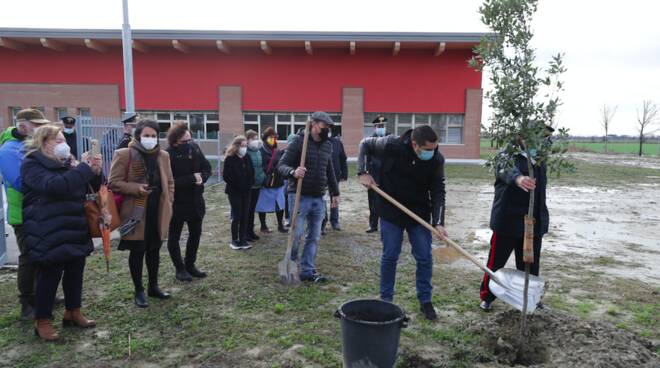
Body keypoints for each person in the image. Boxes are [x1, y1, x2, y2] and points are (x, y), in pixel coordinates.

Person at [21, 124, 103, 341]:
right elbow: (55, 186)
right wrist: (83, 170)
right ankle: (43, 321)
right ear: (43, 143)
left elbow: (86, 188)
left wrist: (94, 172)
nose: (63, 145)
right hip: (47, 229)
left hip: (73, 226)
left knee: (76, 271)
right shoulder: (32, 164)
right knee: (49, 276)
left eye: (64, 141)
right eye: (57, 141)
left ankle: (73, 312)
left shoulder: (69, 163)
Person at [357, 125, 447, 321]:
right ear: (415, 144)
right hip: (390, 209)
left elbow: (438, 190)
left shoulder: (436, 160)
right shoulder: (391, 144)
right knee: (390, 255)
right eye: (428, 149)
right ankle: (386, 300)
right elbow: (365, 144)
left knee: (424, 256)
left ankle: (425, 301)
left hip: (418, 212)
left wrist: (439, 222)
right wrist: (362, 171)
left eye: (434, 148)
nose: (432, 153)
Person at [478, 128, 553, 312]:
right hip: (507, 221)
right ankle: (487, 296)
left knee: (530, 264)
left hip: (532, 222)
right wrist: (518, 179)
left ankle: (530, 297)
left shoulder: (540, 160)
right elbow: (505, 169)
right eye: (537, 137)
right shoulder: (506, 155)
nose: (541, 142)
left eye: (544, 138)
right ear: (521, 137)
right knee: (496, 262)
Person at [108, 119, 175, 308]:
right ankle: (139, 290)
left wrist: (169, 200)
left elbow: (169, 181)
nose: (150, 139)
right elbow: (113, 182)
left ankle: (154, 286)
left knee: (154, 250)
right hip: (136, 211)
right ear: (138, 136)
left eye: (153, 136)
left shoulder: (163, 155)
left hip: (157, 210)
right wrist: (136, 188)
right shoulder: (124, 154)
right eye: (146, 135)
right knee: (137, 252)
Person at [277, 111, 340, 283]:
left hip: (319, 197)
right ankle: (290, 266)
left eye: (328, 127)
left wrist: (335, 192)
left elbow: (330, 169)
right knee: (296, 234)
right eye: (324, 126)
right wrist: (293, 172)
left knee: (314, 236)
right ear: (313, 124)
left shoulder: (328, 144)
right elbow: (281, 165)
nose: (327, 129)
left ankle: (307, 270)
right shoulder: (299, 142)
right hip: (299, 196)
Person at [0, 109, 50, 320]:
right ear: (23, 125)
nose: (39, 129)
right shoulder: (8, 150)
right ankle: (26, 303)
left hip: (41, 211)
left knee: (44, 256)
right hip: (23, 214)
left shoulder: (29, 145)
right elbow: (22, 182)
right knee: (28, 257)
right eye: (36, 125)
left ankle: (42, 295)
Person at [165, 122, 212, 282]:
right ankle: (180, 268)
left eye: (190, 140)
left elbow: (207, 168)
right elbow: (167, 182)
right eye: (184, 141)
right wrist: (191, 178)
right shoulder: (167, 155)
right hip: (177, 203)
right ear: (174, 140)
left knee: (195, 234)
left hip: (196, 201)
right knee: (174, 236)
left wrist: (202, 179)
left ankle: (190, 264)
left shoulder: (195, 148)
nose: (188, 144)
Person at [223, 136, 254, 250]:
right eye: (242, 146)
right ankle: (234, 240)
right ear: (236, 146)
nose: (244, 148)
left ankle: (243, 239)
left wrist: (249, 184)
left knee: (245, 216)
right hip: (234, 192)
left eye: (246, 146)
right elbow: (227, 176)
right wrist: (238, 185)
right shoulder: (230, 159)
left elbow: (251, 173)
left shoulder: (247, 157)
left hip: (246, 192)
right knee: (237, 216)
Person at [256, 128, 287, 233]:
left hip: (278, 181)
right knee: (262, 205)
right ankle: (263, 226)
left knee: (280, 205)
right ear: (265, 139)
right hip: (266, 182)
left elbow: (282, 163)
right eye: (270, 138)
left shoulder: (277, 151)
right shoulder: (260, 151)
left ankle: (280, 225)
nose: (273, 140)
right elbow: (260, 166)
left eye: (274, 138)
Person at [365, 116, 391, 233]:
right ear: (374, 127)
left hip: (388, 177)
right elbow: (365, 158)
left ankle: (389, 225)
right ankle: (373, 225)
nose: (381, 128)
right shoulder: (369, 140)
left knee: (389, 202)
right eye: (378, 126)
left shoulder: (392, 139)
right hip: (373, 176)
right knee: (373, 201)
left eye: (383, 126)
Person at [321, 133, 348, 233]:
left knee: (335, 198)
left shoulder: (337, 143)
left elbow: (343, 159)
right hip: (321, 176)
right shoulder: (318, 142)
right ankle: (322, 223)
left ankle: (335, 221)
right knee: (322, 200)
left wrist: (344, 174)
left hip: (335, 176)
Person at [245, 130, 265, 241]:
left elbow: (261, 166)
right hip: (249, 186)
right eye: (253, 139)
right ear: (247, 140)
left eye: (257, 138)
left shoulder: (258, 151)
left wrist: (262, 177)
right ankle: (246, 232)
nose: (255, 141)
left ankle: (251, 231)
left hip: (257, 185)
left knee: (252, 210)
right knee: (247, 210)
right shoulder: (245, 152)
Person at [283, 133, 298, 228]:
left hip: (296, 180)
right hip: (286, 180)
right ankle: (287, 218)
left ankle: (296, 219)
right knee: (287, 199)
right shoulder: (285, 152)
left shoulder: (298, 152)